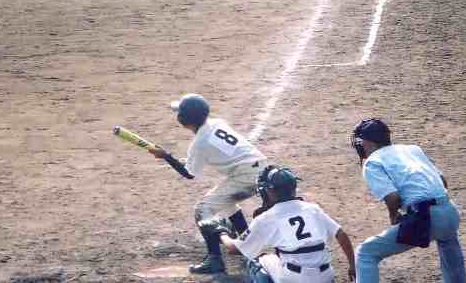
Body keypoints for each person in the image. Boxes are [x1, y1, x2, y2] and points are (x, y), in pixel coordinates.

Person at [149, 93, 267, 274]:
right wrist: (171, 157)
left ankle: (214, 259)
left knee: (203, 209)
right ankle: (245, 243)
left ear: (183, 120)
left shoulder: (199, 143)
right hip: (259, 170)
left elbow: (189, 173)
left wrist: (166, 156)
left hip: (246, 176)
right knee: (224, 201)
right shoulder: (216, 123)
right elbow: (197, 160)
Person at [350, 118, 466, 283]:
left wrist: (393, 216)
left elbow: (393, 198)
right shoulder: (412, 149)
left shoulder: (373, 162)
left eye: (361, 141)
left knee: (366, 253)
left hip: (427, 216)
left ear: (368, 142)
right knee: (447, 241)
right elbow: (443, 181)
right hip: (451, 212)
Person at [209, 165, 356, 283]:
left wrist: (222, 233)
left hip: (295, 278)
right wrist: (352, 266)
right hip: (325, 276)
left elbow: (235, 248)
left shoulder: (267, 218)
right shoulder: (312, 209)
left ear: (270, 192)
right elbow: (341, 235)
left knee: (257, 262)